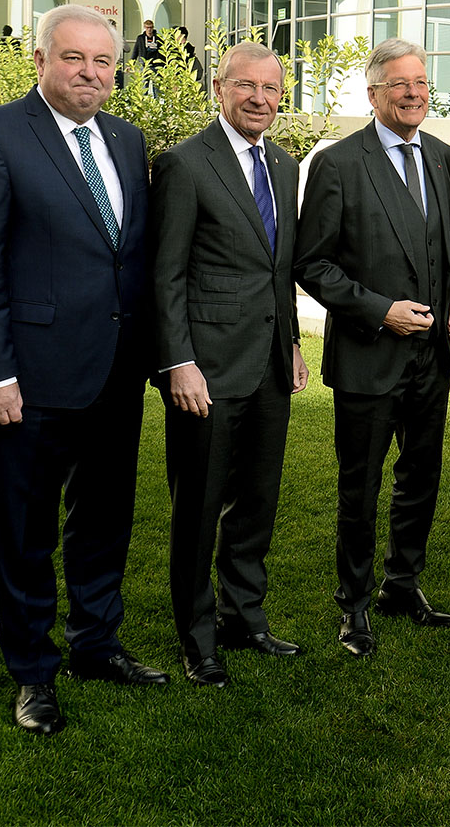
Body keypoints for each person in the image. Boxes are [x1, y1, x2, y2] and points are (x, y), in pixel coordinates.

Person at [0, 4, 167, 736]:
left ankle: (96, 644)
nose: (90, 73)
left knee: (103, 518)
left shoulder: (127, 139)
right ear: (40, 60)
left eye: (103, 61)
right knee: (25, 530)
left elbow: (130, 255)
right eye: (73, 58)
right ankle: (33, 670)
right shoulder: (4, 133)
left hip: (116, 370)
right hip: (33, 376)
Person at [296, 38, 450, 657]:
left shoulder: (441, 156)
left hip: (430, 359)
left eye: (421, 82)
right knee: (361, 486)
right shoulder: (338, 163)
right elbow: (312, 264)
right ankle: (354, 603)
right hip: (369, 356)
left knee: (420, 477)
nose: (414, 93)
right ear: (373, 94)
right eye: (400, 84)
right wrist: (381, 312)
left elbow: (445, 246)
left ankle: (403, 584)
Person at [152, 42, 308, 688]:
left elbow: (280, 268)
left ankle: (244, 617)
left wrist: (291, 341)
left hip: (268, 363)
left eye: (271, 89)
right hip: (207, 371)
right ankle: (198, 639)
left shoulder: (284, 165)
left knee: (257, 503)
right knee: (199, 508)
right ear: (219, 88)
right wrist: (178, 362)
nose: (259, 99)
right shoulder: (185, 164)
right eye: (246, 85)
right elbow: (166, 276)